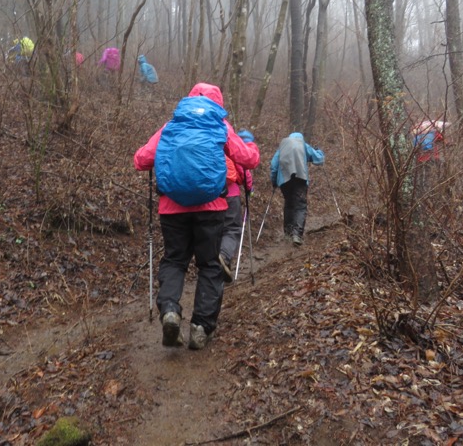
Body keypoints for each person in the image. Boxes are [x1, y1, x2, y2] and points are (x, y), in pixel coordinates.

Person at [134, 83, 260, 350]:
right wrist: (252, 146)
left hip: (172, 208)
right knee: (211, 265)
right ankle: (201, 326)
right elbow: (247, 159)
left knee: (175, 260)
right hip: (211, 208)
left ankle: (170, 310)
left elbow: (141, 160)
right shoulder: (220, 125)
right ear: (218, 102)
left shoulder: (171, 125)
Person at [270, 132, 324, 246]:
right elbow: (319, 159)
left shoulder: (283, 145)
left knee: (289, 204)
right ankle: (297, 235)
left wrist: (274, 181)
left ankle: (288, 234)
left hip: (284, 180)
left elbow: (274, 165)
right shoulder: (303, 144)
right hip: (300, 178)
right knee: (300, 206)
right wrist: (319, 151)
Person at [218, 130, 256, 284]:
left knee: (218, 230)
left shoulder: (215, 145)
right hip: (231, 193)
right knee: (232, 229)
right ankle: (224, 256)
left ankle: (220, 266)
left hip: (211, 195)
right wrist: (249, 189)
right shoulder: (233, 149)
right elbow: (243, 170)